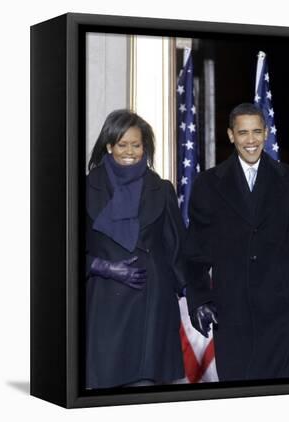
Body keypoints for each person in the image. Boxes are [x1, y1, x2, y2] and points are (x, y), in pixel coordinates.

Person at [184, 103, 289, 381]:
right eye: (243, 133)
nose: (251, 140)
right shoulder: (208, 184)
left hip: (278, 313)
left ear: (266, 133)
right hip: (230, 314)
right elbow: (195, 251)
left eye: (257, 131)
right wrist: (199, 300)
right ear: (231, 135)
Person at [85, 109, 187, 389]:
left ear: (145, 148)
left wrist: (197, 295)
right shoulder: (81, 189)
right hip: (104, 305)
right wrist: (103, 267)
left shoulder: (162, 190)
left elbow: (178, 251)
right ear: (109, 145)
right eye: (122, 144)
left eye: (136, 144)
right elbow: (60, 253)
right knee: (102, 390)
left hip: (152, 309)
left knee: (145, 392)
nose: (130, 151)